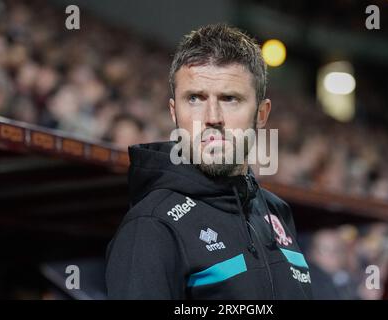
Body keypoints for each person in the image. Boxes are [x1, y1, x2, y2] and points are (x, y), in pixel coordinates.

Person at [105, 23, 312, 299]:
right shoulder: (150, 227)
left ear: (261, 114)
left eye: (229, 99)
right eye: (194, 98)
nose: (212, 117)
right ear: (173, 112)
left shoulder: (275, 211)